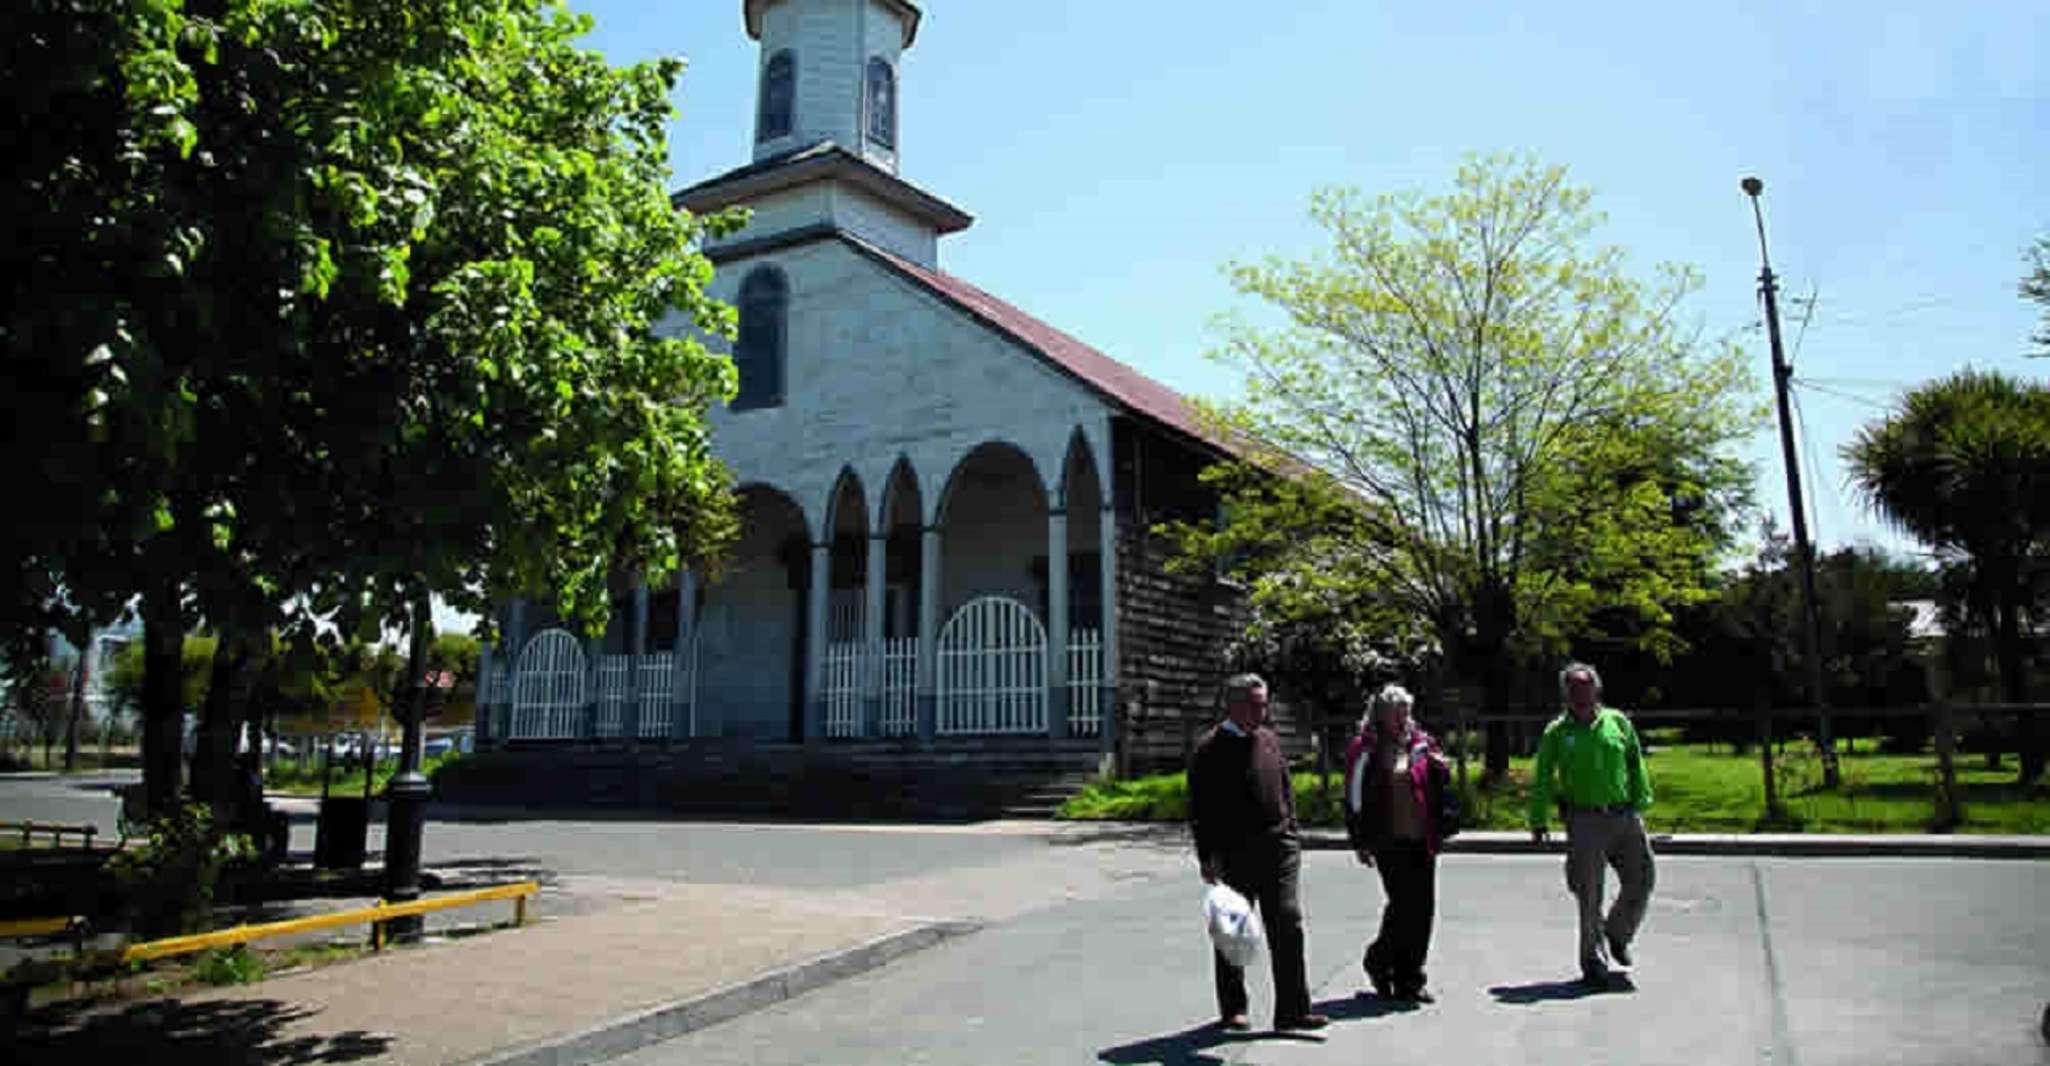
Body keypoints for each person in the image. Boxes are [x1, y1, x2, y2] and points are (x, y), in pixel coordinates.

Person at [1189, 673, 1329, 1032]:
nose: (1261, 711)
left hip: (1279, 848)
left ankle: (1293, 1010)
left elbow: (1284, 786)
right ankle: (1233, 1008)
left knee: (1287, 921)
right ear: (1232, 705)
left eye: (1264, 704)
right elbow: (1200, 808)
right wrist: (1207, 856)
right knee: (1232, 930)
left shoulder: (1268, 739)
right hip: (1234, 852)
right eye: (1254, 704)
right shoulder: (1209, 749)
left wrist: (1292, 831)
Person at [1527, 661, 1656, 987]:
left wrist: (1641, 800)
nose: (1580, 696)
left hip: (1624, 815)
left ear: (1596, 690)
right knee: (1589, 894)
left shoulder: (1617, 723)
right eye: (1573, 691)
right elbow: (1542, 777)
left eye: (1585, 689)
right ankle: (1593, 962)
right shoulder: (1557, 732)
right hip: (1584, 819)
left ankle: (1617, 932)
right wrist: (1539, 820)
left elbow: (1634, 761)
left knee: (1642, 878)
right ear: (1565, 695)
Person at [1342, 683, 1458, 1003]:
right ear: (1380, 715)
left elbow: (1439, 784)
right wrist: (1359, 840)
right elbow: (1353, 797)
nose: (1403, 717)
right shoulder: (1366, 748)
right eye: (1396, 712)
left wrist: (1441, 776)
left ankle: (1411, 978)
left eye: (1406, 710)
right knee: (1403, 906)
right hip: (1387, 839)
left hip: (1422, 837)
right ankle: (1379, 961)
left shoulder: (1423, 743)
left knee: (1423, 909)